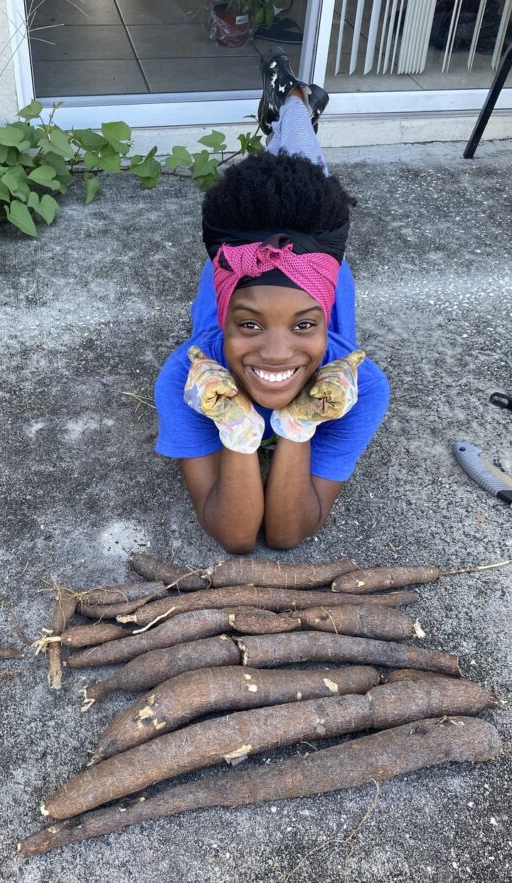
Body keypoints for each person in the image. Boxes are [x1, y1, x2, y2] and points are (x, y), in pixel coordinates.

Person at [154, 49, 390, 554]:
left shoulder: (364, 386)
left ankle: (295, 99)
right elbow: (236, 537)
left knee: (307, 170)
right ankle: (292, 103)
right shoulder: (182, 377)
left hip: (313, 266)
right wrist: (236, 428)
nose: (279, 354)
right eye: (250, 325)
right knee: (291, 170)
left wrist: (300, 426)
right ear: (225, 319)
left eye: (304, 326)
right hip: (241, 269)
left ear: (323, 319)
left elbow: (288, 534)